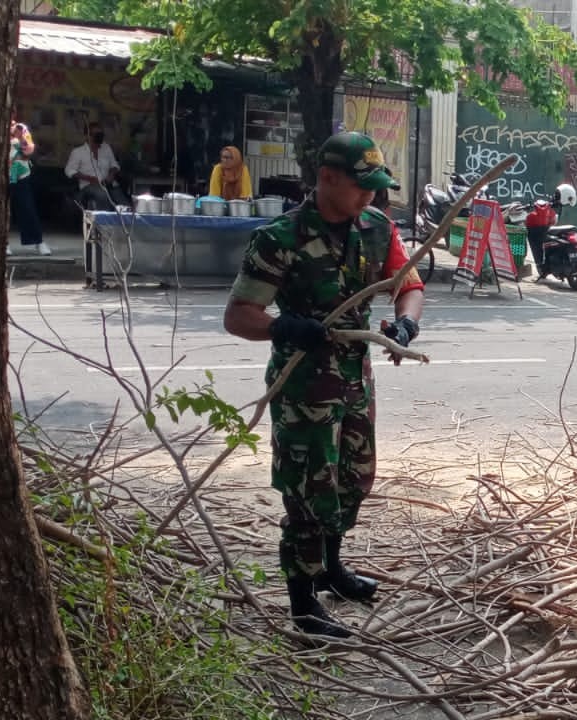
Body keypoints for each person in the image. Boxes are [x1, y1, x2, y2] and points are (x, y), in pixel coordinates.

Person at [222, 132, 426, 639]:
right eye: (363, 187)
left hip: (356, 378)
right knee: (308, 490)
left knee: (353, 480)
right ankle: (303, 602)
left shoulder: (376, 227)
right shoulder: (280, 238)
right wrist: (280, 326)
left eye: (378, 188)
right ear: (328, 178)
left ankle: (333, 569)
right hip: (304, 387)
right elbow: (238, 315)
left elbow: (407, 285)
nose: (372, 198)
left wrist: (405, 325)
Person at [8, 116, 49, 256]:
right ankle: (3, 244)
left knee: (27, 207)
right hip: (1, 174)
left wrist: (20, 138)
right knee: (2, 210)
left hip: (20, 174)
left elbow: (29, 149)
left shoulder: (21, 128)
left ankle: (38, 242)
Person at [66, 121, 126, 210]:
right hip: (89, 186)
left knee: (124, 204)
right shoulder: (78, 152)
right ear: (88, 136)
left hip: (109, 185)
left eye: (101, 134)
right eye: (97, 134)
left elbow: (114, 164)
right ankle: (105, 222)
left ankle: (123, 222)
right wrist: (89, 178)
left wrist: (112, 174)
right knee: (102, 195)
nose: (100, 136)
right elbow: (69, 170)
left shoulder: (106, 148)